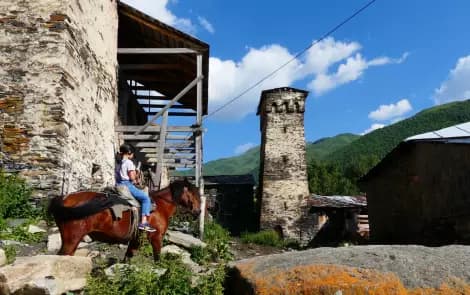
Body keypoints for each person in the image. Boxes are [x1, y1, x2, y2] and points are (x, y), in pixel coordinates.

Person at [115, 144, 156, 232]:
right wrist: (136, 172)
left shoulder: (119, 162)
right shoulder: (129, 163)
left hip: (118, 184)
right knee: (146, 198)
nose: (133, 155)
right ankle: (144, 223)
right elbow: (132, 177)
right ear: (129, 153)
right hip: (127, 185)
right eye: (132, 154)